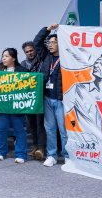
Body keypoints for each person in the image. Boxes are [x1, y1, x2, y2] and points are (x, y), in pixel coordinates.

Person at [34, 23, 69, 167]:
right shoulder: (46, 56)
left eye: (54, 42)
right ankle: (52, 155)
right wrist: (47, 30)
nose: (50, 44)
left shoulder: (67, 57)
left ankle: (68, 156)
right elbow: (37, 42)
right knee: (50, 129)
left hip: (61, 100)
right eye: (49, 42)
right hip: (47, 98)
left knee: (63, 130)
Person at [0, 48, 28, 163]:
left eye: (7, 56)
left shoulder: (23, 71)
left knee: (19, 130)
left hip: (17, 105)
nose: (4, 58)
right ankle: (0, 152)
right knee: (2, 129)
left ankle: (21, 154)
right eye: (3, 56)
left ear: (13, 58)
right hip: (2, 105)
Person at [21, 41, 46, 160]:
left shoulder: (42, 61)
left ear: (35, 50)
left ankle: (41, 148)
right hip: (27, 99)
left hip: (39, 98)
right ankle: (35, 146)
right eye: (27, 52)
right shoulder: (23, 64)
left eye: (31, 50)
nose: (29, 53)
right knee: (31, 125)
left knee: (40, 124)